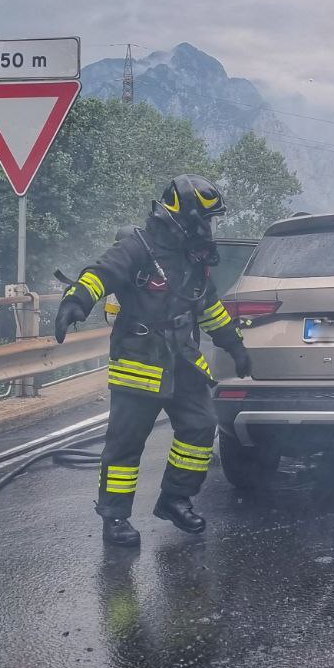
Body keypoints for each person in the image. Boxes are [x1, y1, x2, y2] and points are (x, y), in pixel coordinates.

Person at [53, 175, 252, 546]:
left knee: (200, 425)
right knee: (126, 445)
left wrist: (234, 345)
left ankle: (175, 498)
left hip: (183, 360)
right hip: (139, 361)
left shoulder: (195, 258)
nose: (209, 227)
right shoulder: (138, 247)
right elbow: (100, 273)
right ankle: (115, 520)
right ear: (186, 215)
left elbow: (208, 307)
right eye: (205, 219)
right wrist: (75, 302)